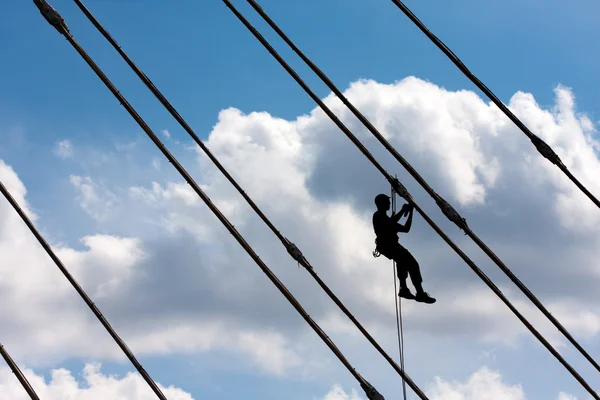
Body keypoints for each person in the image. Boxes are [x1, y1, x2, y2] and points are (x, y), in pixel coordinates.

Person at [372, 193, 435, 304]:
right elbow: (392, 224)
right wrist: (404, 211)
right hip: (388, 246)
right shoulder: (378, 216)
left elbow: (402, 227)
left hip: (389, 246)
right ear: (381, 203)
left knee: (402, 263)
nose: (389, 204)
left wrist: (409, 212)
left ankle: (404, 289)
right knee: (412, 264)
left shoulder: (384, 218)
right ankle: (419, 293)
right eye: (387, 202)